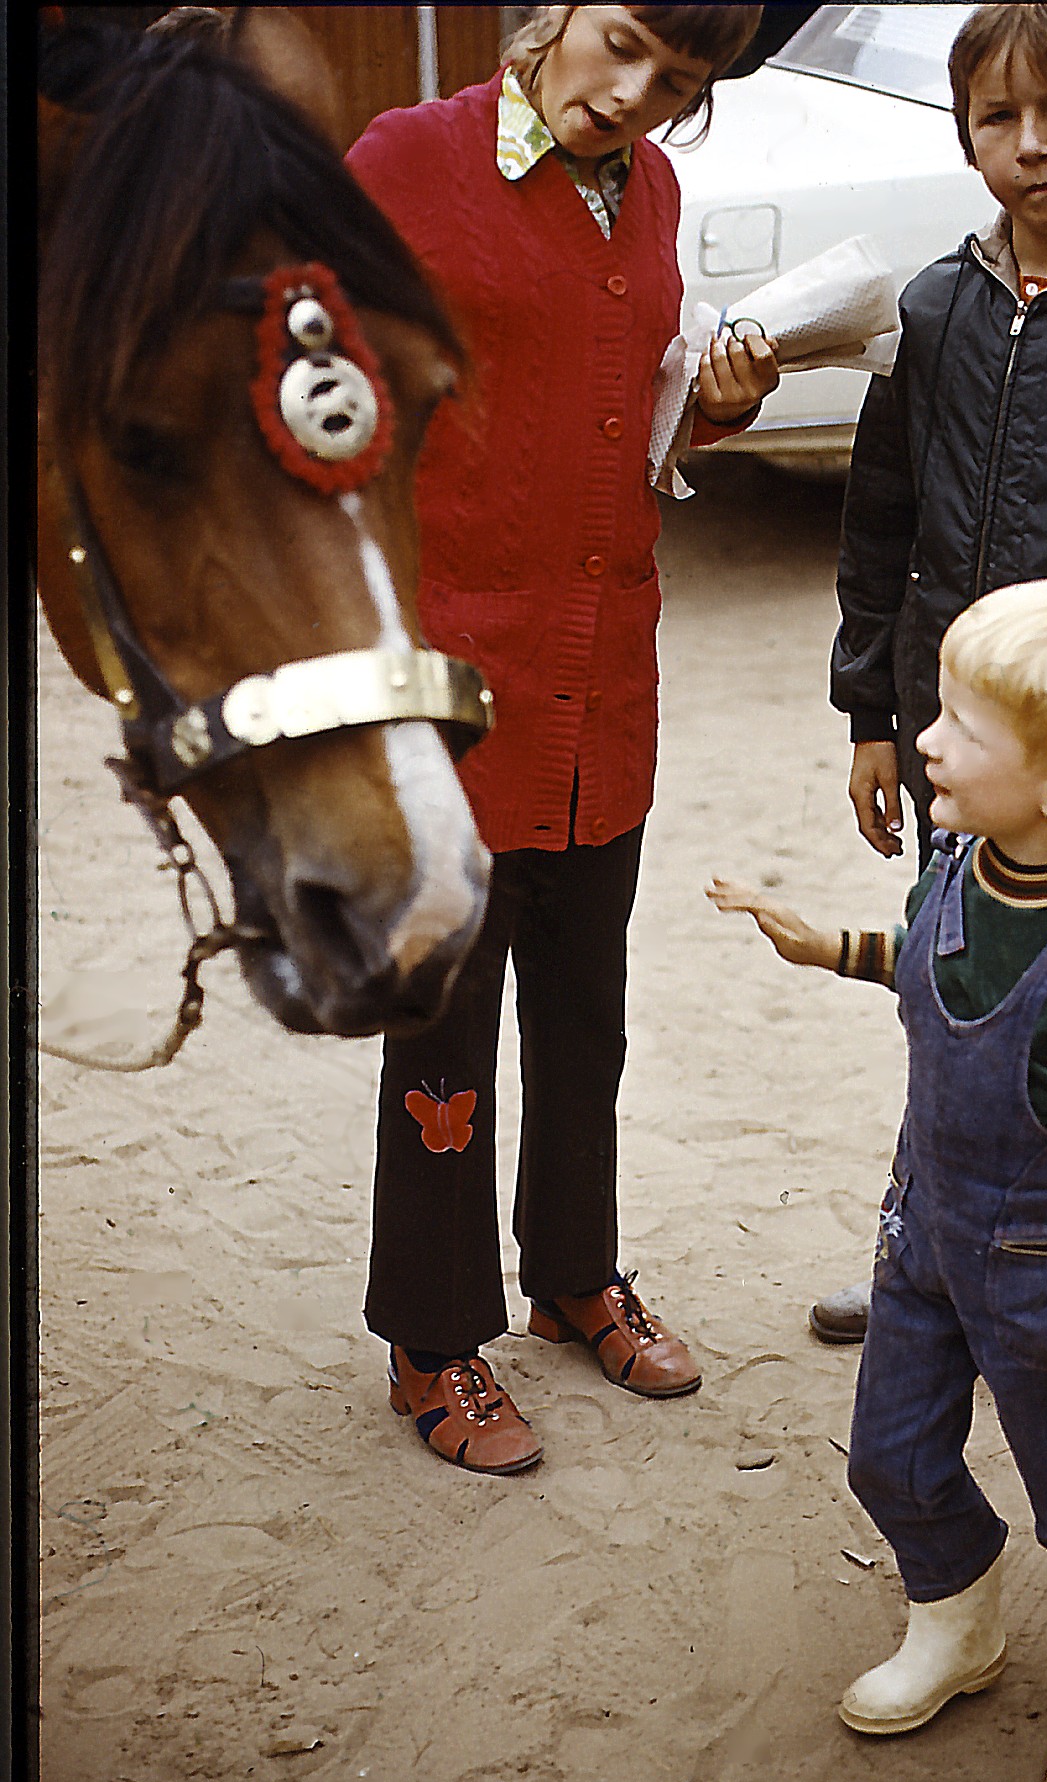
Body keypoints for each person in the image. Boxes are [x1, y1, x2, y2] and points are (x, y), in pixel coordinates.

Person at [344, 6, 778, 1476]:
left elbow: (613, 419)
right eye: (623, 43)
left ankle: (571, 1271)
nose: (634, 95)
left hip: (603, 687)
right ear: (560, 14)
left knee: (585, 1022)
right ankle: (429, 1334)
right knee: (442, 1041)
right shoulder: (408, 160)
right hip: (450, 697)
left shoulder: (646, 191)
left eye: (679, 81)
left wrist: (704, 417)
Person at [708, 577, 1047, 1782]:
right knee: (889, 1452)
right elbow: (930, 965)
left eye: (960, 724)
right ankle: (954, 1615)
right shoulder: (965, 864)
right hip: (920, 1227)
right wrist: (831, 947)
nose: (924, 735)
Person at [813, 0, 1047, 1348]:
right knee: (945, 996)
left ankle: (1037, 1264)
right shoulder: (933, 306)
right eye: (997, 119)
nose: (1031, 146)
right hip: (956, 752)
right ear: (967, 135)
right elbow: (880, 518)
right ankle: (926, 1252)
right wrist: (872, 709)